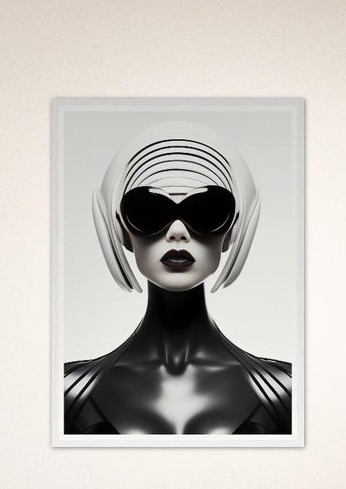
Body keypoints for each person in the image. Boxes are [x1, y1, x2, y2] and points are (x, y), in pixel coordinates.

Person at [63, 121, 293, 436]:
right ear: (122, 231)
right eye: (147, 212)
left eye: (207, 212)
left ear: (232, 232)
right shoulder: (67, 391)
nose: (177, 232)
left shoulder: (286, 389)